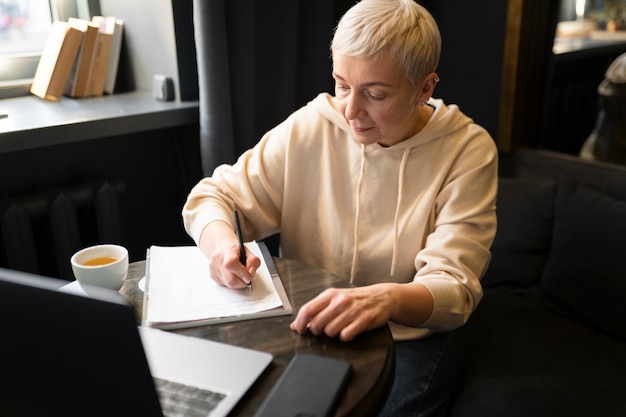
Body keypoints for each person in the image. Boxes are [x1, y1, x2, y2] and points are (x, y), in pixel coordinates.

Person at [182, 0, 497, 415]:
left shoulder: (468, 151)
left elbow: (454, 291)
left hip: (414, 334)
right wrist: (223, 247)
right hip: (314, 321)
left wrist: (386, 300)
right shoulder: (311, 127)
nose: (350, 111)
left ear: (425, 87)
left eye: (376, 93)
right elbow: (212, 197)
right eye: (343, 84)